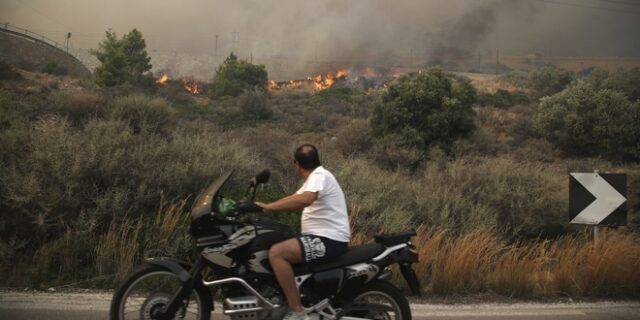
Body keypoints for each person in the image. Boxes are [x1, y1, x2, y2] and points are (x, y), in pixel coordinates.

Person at [255, 144, 350, 320]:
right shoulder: (316, 178)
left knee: (277, 253)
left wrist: (268, 207)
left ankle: (297, 312)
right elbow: (293, 198)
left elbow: (305, 199)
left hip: (329, 239)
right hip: (321, 237)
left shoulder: (319, 176)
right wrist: (260, 207)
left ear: (296, 165)